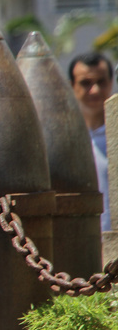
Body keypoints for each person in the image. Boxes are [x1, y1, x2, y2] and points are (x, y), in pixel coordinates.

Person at [69, 51, 114, 232]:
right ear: (72, 86)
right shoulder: (67, 137)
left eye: (100, 82)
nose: (94, 90)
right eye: (86, 83)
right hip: (79, 241)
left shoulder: (114, 133)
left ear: (111, 83)